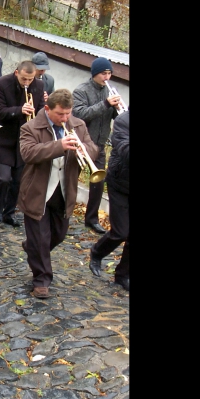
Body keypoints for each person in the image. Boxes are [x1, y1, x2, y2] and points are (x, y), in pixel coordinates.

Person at [18, 89, 98, 298]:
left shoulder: (78, 125)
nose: (65, 118)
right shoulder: (30, 127)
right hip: (38, 191)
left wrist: (84, 150)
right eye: (60, 114)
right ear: (47, 109)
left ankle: (32, 247)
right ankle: (41, 280)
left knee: (59, 235)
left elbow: (93, 148)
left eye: (68, 113)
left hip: (63, 190)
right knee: (41, 239)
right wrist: (59, 145)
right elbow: (28, 153)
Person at [72, 58, 123, 235]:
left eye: (109, 73)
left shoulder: (108, 91)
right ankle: (63, 213)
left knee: (98, 183)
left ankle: (91, 219)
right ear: (95, 74)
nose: (107, 77)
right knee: (71, 180)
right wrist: (106, 104)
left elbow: (115, 117)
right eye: (104, 73)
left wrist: (119, 109)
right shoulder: (81, 90)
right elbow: (79, 114)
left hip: (100, 144)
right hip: (82, 143)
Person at [0, 60, 45, 227]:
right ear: (16, 73)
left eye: (30, 79)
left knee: (18, 181)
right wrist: (19, 110)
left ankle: (9, 212)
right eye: (24, 79)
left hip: (24, 141)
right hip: (4, 139)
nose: (27, 83)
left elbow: (42, 109)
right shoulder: (1, 83)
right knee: (4, 178)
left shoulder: (39, 85)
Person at [88, 108, 129, 291]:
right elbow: (124, 150)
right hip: (120, 183)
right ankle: (97, 252)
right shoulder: (123, 121)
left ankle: (122, 275)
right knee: (121, 232)